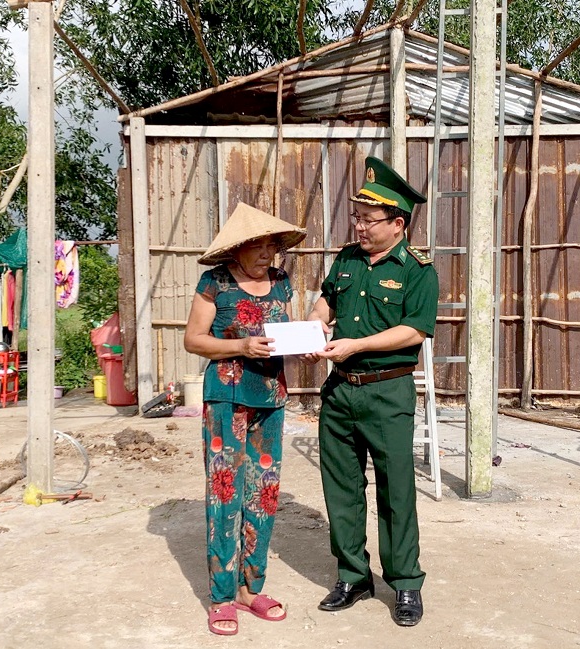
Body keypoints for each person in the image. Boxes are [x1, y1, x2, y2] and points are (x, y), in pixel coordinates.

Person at [302, 157, 438, 627]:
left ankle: (404, 583)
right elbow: (326, 302)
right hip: (340, 393)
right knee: (341, 489)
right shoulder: (346, 259)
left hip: (387, 392)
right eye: (356, 217)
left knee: (396, 491)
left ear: (397, 224)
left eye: (368, 219)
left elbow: (414, 331)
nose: (359, 225)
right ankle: (353, 576)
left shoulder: (418, 269)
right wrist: (311, 329)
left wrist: (356, 344)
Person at [184, 202, 307, 636]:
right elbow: (194, 340)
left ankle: (251, 589)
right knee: (225, 495)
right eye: (260, 246)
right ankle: (221, 596)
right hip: (227, 399)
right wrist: (240, 347)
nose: (268, 254)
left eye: (273, 246)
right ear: (238, 249)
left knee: (264, 493)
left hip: (270, 397)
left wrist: (304, 343)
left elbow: (283, 331)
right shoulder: (214, 283)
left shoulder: (280, 282)